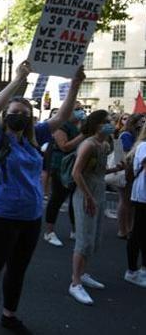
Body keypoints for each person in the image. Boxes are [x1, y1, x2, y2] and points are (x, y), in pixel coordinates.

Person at [0, 62, 84, 335]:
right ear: (7, 116)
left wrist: (76, 85)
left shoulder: (35, 137)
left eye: (24, 113)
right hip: (1, 214)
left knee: (18, 269)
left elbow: (62, 117)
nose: (19, 116)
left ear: (31, 119)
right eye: (15, 112)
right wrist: (19, 79)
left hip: (31, 216)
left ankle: (9, 315)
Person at [68, 110, 122, 305]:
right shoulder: (88, 144)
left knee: (93, 238)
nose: (111, 124)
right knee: (83, 239)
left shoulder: (104, 145)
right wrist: (89, 198)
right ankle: (75, 283)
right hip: (85, 195)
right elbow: (77, 173)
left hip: (96, 194)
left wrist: (115, 169)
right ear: (96, 124)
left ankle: (83, 274)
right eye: (106, 122)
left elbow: (98, 171)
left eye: (111, 121)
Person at [43, 101, 86, 247]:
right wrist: (83, 136)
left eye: (81, 109)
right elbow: (64, 146)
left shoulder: (79, 126)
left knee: (74, 199)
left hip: (75, 167)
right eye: (77, 109)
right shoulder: (61, 126)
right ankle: (49, 232)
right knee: (57, 198)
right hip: (61, 167)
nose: (81, 111)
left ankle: (75, 230)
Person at [115, 114, 145, 236]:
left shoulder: (136, 136)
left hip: (132, 172)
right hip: (126, 172)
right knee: (124, 201)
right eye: (142, 121)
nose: (144, 123)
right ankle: (123, 230)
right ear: (135, 122)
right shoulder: (126, 135)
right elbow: (125, 155)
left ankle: (129, 227)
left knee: (129, 203)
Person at [125, 125, 146, 287]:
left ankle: (143, 269)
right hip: (143, 195)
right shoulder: (144, 146)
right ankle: (132, 271)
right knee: (138, 232)